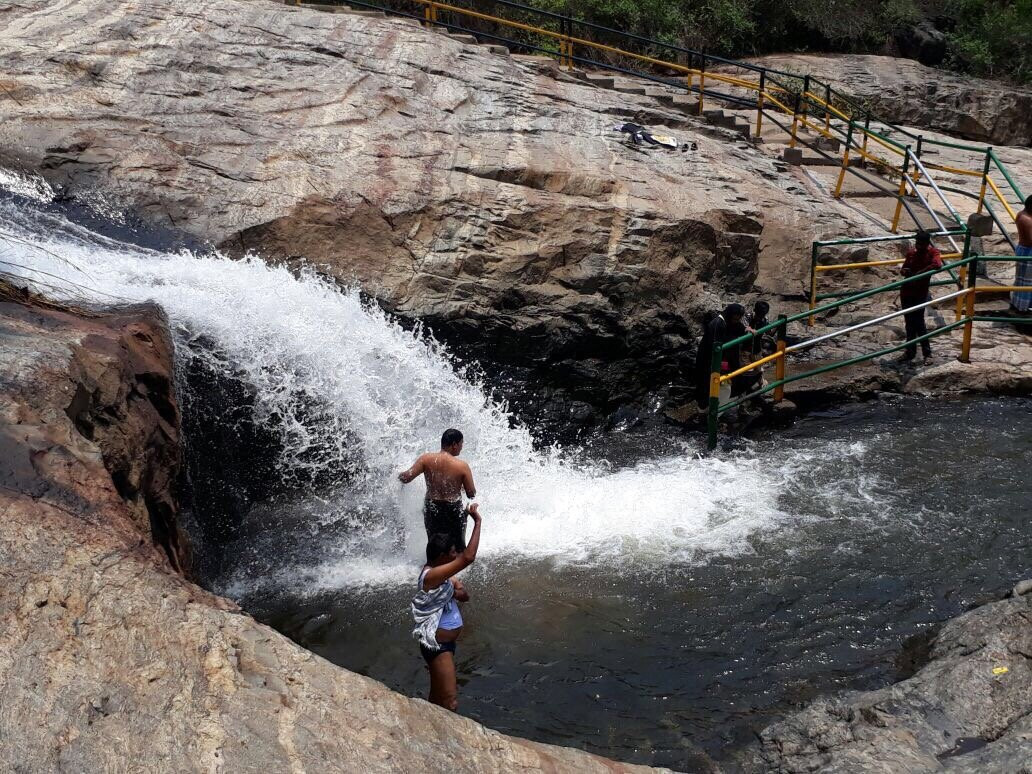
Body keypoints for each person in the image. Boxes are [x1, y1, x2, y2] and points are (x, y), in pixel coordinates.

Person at [411, 504, 482, 712]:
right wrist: (477, 522)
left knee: (436, 698)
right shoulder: (431, 576)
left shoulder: (442, 576)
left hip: (444, 644)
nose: (456, 554)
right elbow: (468, 557)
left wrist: (456, 590)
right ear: (441, 555)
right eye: (452, 552)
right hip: (438, 646)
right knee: (450, 701)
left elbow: (464, 596)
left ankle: (427, 725)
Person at [399, 429, 476, 550]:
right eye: (461, 443)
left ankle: (433, 562)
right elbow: (471, 493)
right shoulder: (462, 466)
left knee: (434, 547)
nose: (462, 447)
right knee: (458, 547)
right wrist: (460, 487)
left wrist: (394, 474)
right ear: (454, 444)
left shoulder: (425, 459)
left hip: (431, 508)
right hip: (453, 509)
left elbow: (406, 478)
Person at [899, 230, 942, 365]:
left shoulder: (933, 253)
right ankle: (910, 351)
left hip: (920, 293)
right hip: (907, 291)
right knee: (909, 323)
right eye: (917, 243)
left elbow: (937, 264)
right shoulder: (912, 253)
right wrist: (905, 271)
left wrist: (919, 273)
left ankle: (927, 353)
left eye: (921, 244)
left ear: (927, 243)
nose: (918, 246)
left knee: (919, 322)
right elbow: (904, 269)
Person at [693, 303, 747, 409]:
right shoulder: (718, 324)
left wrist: (745, 330)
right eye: (735, 319)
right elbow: (715, 346)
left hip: (718, 361)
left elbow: (737, 328)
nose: (736, 321)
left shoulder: (727, 321)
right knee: (707, 384)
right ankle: (708, 410)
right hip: (708, 360)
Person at [1012, 195, 1032, 313]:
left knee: (1024, 280)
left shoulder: (1022, 214)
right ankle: (1023, 307)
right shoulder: (1026, 219)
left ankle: (1022, 305)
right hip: (1028, 251)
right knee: (1026, 282)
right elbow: (1030, 240)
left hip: (1024, 249)